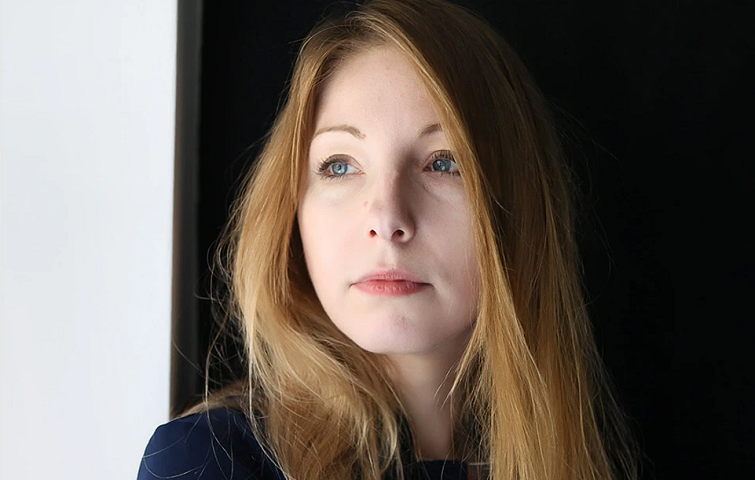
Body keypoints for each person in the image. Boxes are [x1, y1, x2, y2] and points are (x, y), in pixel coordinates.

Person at [138, 0, 639, 479]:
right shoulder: (209, 462)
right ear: (291, 211)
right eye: (340, 166)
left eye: (444, 162)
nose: (387, 217)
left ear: (519, 204)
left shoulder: (573, 450)